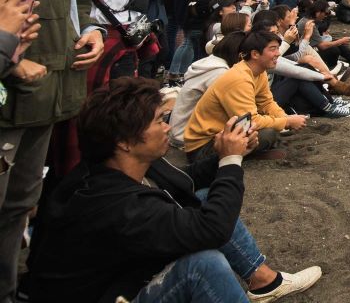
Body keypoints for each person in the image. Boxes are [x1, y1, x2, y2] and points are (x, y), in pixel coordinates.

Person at [23, 76, 322, 302]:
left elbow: (185, 182)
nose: (168, 127)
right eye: (159, 121)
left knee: (200, 197)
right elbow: (213, 229)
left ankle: (264, 281)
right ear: (125, 141)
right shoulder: (113, 203)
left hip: (123, 275)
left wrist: (226, 154)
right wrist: (231, 160)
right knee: (204, 266)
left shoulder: (124, 164)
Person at [0, 0, 106, 300]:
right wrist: (10, 63)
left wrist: (91, 29)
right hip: (12, 88)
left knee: (20, 203)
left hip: (47, 87)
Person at [183, 30, 308, 162]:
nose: (278, 53)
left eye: (277, 48)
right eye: (272, 49)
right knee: (267, 134)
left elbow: (266, 103)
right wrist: (287, 122)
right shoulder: (239, 78)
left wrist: (285, 117)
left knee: (271, 128)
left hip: (224, 135)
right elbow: (252, 121)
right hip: (202, 147)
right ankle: (242, 156)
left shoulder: (259, 72)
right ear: (255, 54)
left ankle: (247, 154)